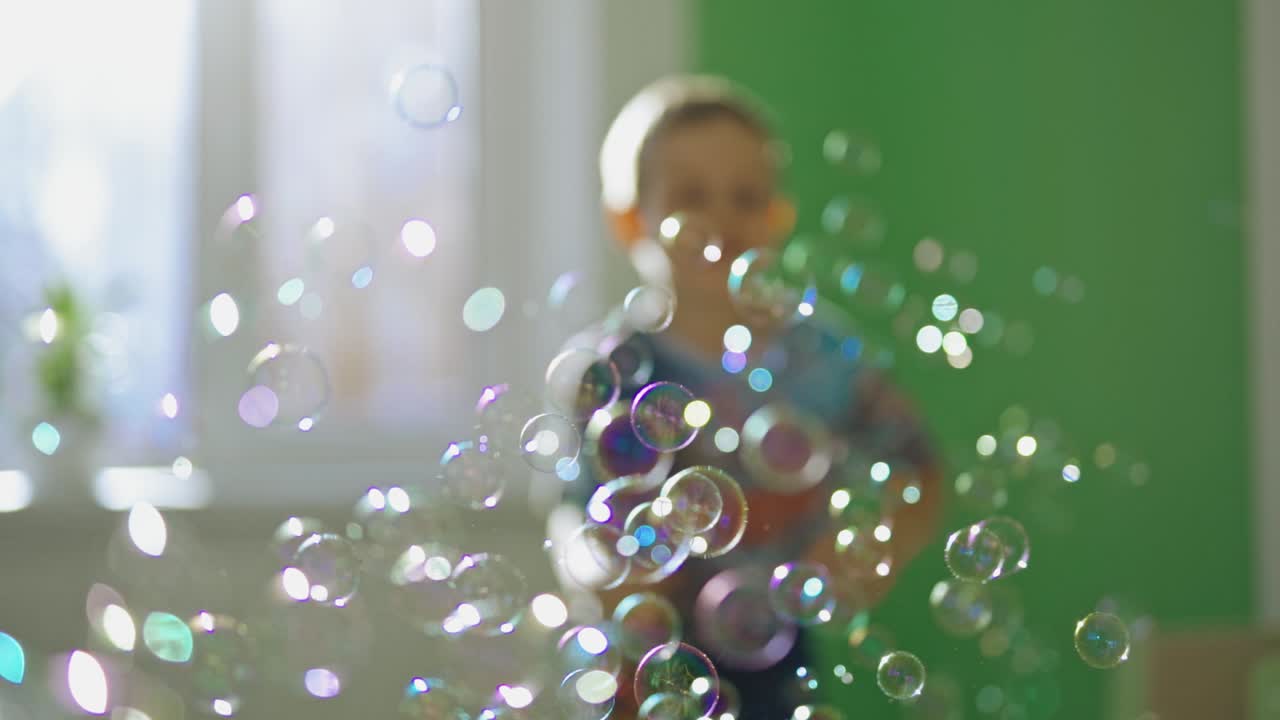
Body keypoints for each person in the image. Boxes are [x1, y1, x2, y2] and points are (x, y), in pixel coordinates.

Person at [548, 75, 941, 719]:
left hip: (776, 644)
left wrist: (873, 544)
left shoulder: (822, 357)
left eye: (746, 196)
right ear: (629, 217)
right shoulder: (609, 370)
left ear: (777, 217)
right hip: (639, 665)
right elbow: (574, 516)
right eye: (691, 195)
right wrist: (599, 574)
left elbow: (916, 465)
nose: (721, 217)